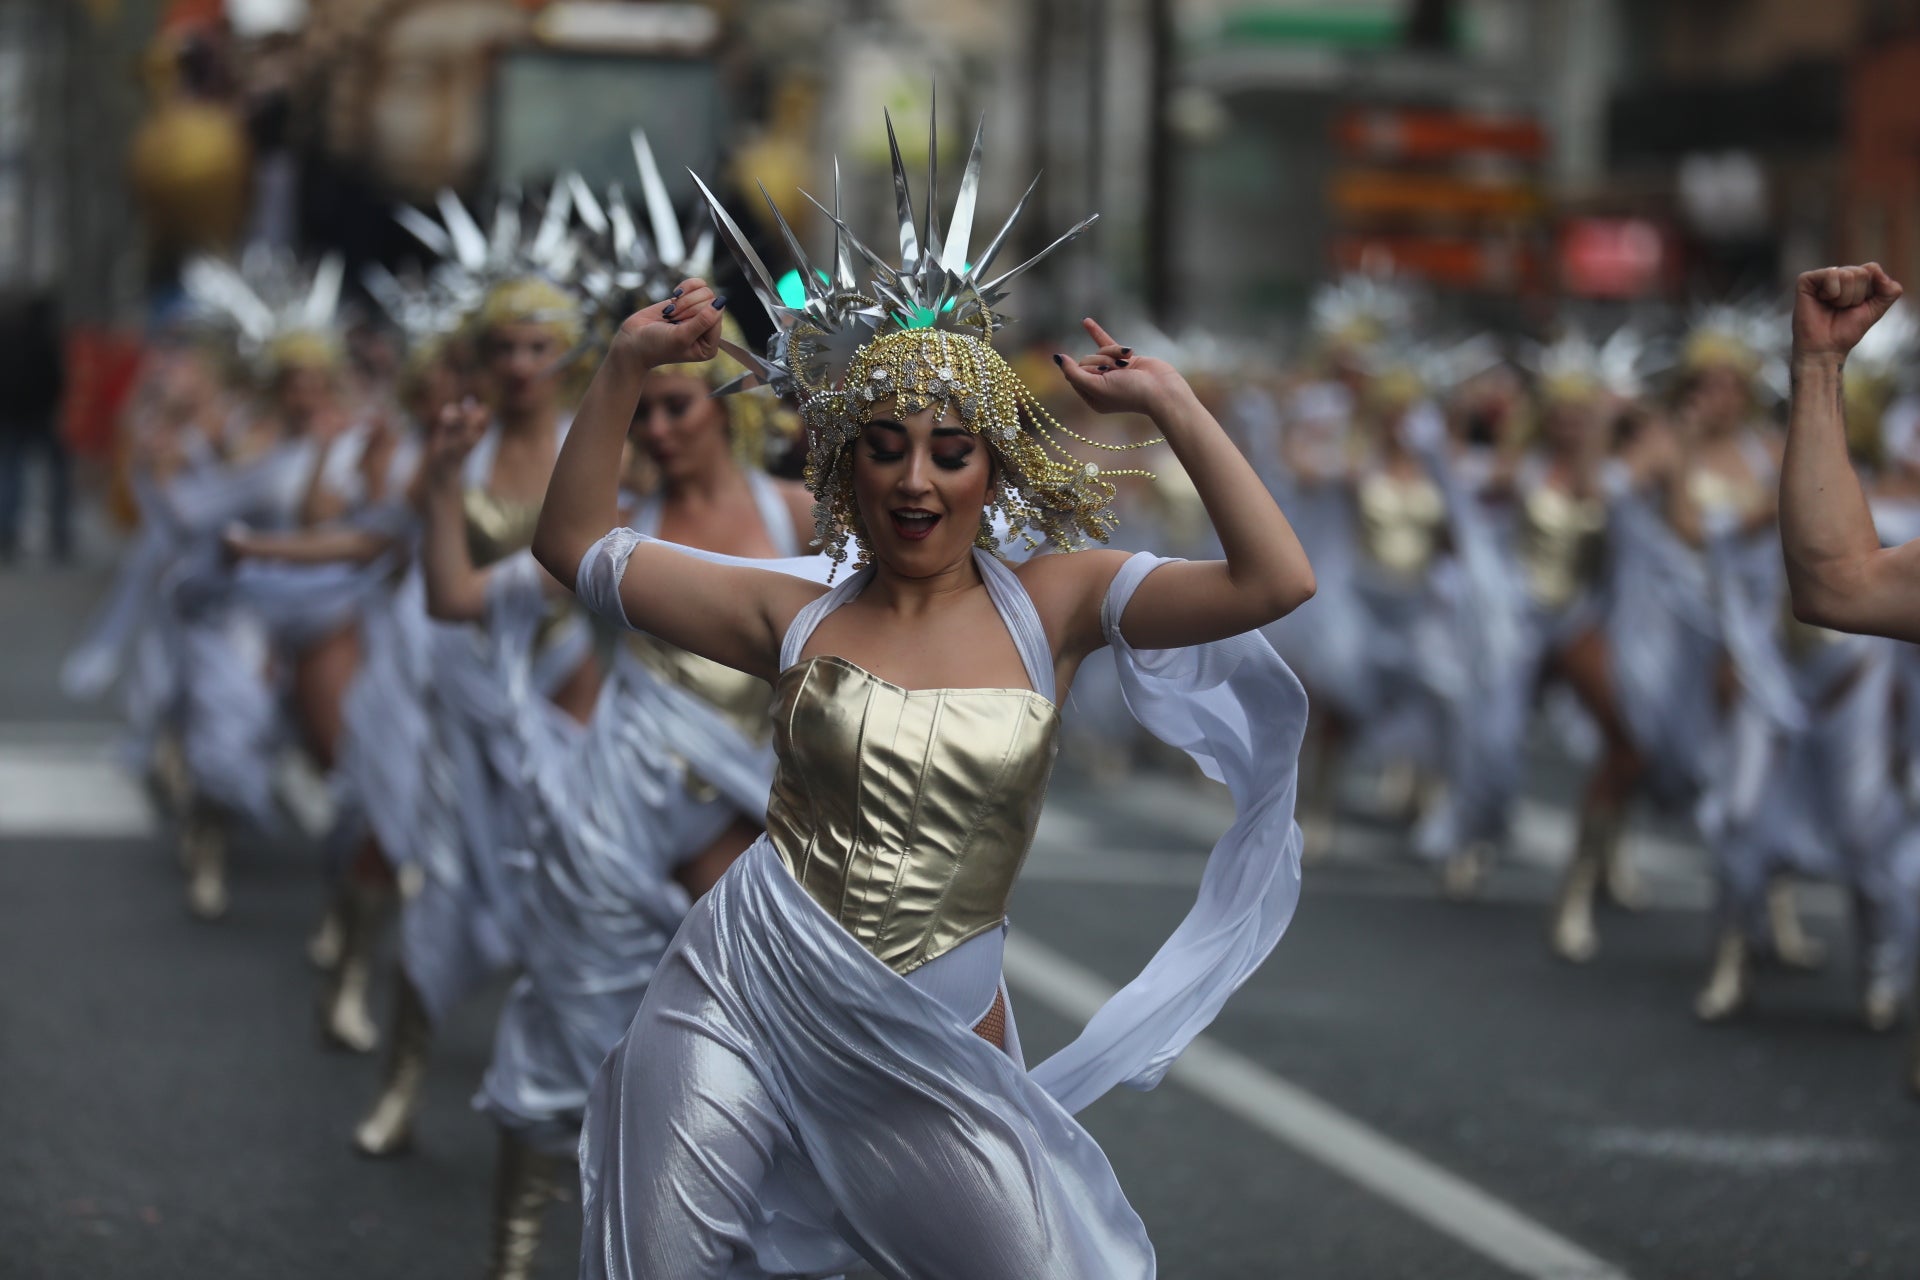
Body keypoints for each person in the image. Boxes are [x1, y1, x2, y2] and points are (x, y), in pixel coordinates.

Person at [537, 115, 1317, 1274]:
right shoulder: (789, 611)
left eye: (951, 449)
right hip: (742, 990)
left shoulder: (1052, 606)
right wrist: (622, 367)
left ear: (992, 469)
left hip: (934, 1039)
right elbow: (575, 545)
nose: (916, 478)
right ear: (844, 462)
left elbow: (1275, 579)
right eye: (885, 447)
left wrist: (1172, 405)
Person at [0, 291, 71, 562]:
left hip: (9, 416)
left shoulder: (6, 337)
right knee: (56, 473)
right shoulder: (47, 339)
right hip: (42, 415)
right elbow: (57, 378)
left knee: (9, 475)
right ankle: (59, 533)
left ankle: (6, 533)